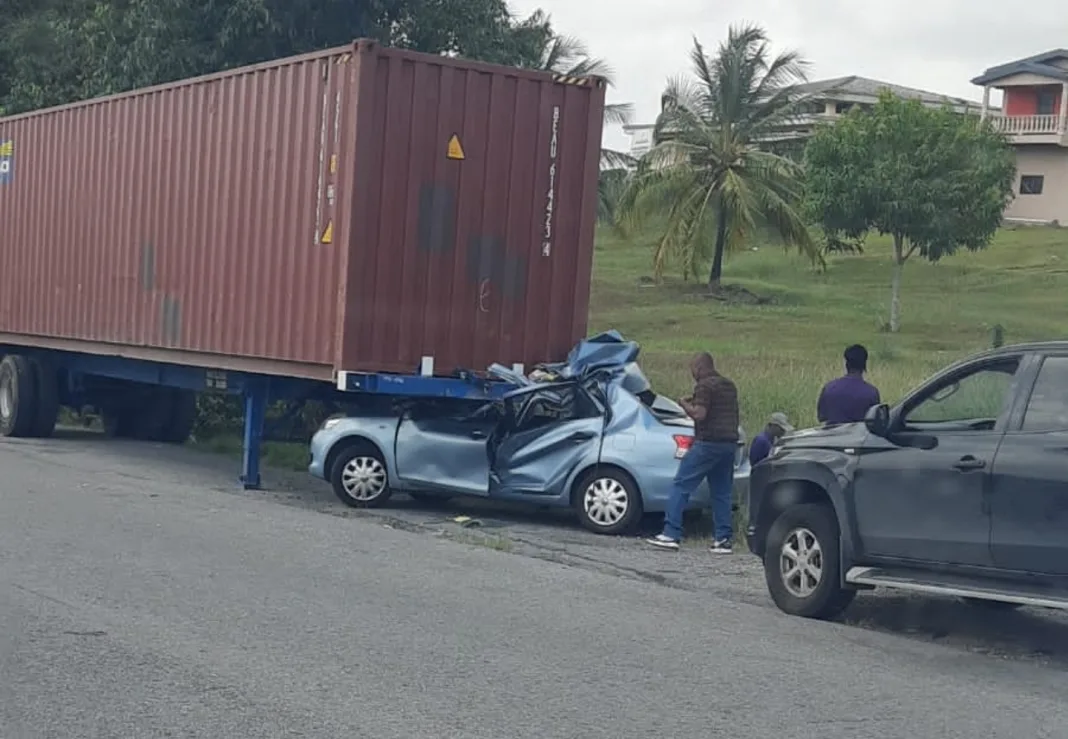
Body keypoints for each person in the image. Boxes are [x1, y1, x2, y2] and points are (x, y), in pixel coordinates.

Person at [647, 352, 739, 554]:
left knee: (681, 484)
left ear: (698, 368)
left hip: (708, 444)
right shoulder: (729, 385)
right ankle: (723, 540)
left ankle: (671, 533)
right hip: (729, 445)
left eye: (693, 370)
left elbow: (700, 414)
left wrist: (684, 404)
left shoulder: (704, 386)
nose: (693, 375)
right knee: (722, 493)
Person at [817, 344, 881, 425]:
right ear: (864, 365)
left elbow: (822, 418)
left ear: (846, 364)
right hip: (859, 437)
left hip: (832, 436)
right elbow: (875, 423)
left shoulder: (829, 388)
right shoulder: (872, 393)